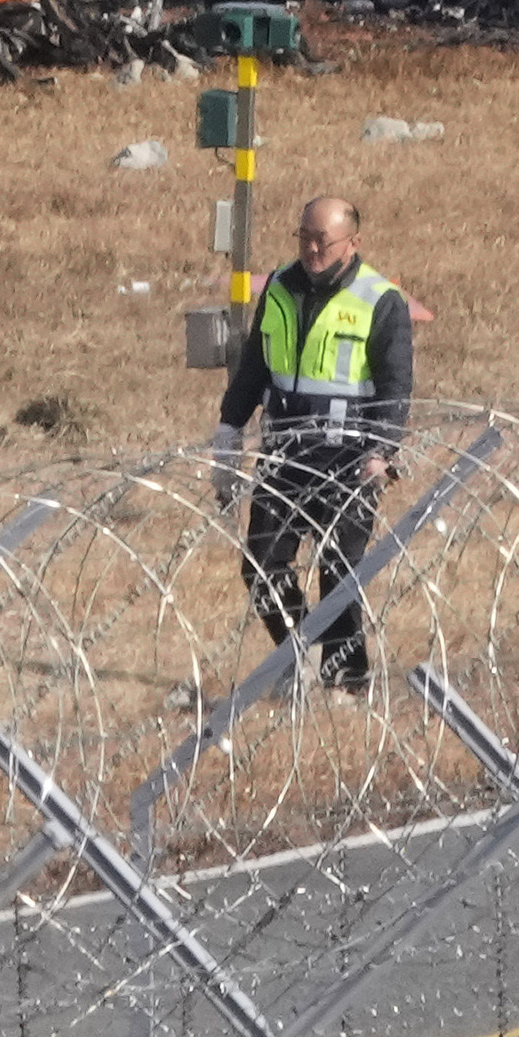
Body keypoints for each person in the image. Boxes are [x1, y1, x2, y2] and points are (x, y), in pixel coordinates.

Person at [209, 194, 415, 686]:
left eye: (322, 239)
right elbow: (256, 366)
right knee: (262, 565)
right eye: (304, 236)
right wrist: (228, 428)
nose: (312, 248)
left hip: (348, 456)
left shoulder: (379, 299)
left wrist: (381, 451)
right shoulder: (279, 287)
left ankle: (346, 682)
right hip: (285, 453)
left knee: (338, 573)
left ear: (352, 242)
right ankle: (298, 656)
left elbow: (394, 387)